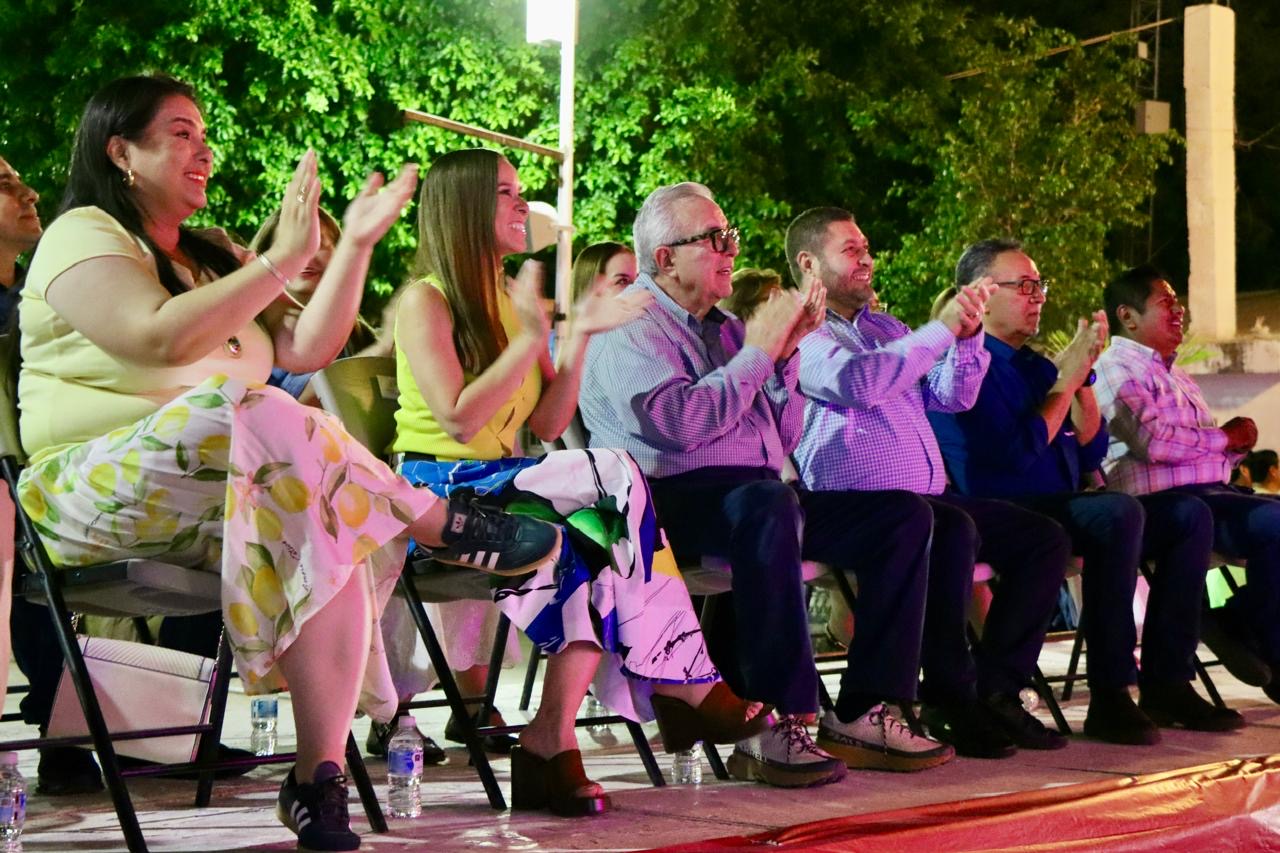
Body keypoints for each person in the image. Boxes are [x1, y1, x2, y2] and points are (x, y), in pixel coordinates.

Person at [16, 76, 563, 851]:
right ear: (121, 152)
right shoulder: (83, 234)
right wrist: (280, 261)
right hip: (82, 492)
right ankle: (432, 517)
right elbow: (158, 338)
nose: (204, 149)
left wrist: (356, 246)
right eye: (180, 132)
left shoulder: (212, 256)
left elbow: (308, 347)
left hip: (225, 492)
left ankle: (318, 777)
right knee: (262, 408)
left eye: (205, 133)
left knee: (322, 506)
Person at [390, 149, 767, 817]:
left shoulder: (512, 302)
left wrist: (581, 337)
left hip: (502, 489)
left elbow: (546, 422)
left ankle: (550, 739)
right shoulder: (425, 299)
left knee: (592, 543)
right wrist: (527, 338)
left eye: (518, 190)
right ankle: (683, 680)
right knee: (614, 471)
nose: (520, 203)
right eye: (504, 192)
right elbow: (457, 416)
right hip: (435, 495)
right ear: (464, 207)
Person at [582, 181, 953, 788]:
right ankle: (779, 719)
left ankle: (863, 710)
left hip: (756, 495)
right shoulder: (631, 323)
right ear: (665, 258)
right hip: (662, 503)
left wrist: (786, 358)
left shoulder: (727, 327)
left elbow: (780, 437)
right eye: (714, 239)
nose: (731, 249)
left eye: (730, 236)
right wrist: (758, 352)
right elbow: (679, 425)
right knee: (767, 502)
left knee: (904, 516)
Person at [786, 208, 1073, 758]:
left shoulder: (888, 329)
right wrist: (940, 329)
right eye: (851, 249)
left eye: (866, 246)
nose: (867, 258)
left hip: (924, 499)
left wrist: (966, 338)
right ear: (809, 262)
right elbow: (859, 383)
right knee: (948, 526)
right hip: (856, 505)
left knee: (1042, 538)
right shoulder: (805, 332)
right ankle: (939, 696)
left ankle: (996, 689)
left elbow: (952, 396)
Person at [931, 241, 1242, 745]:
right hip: (1002, 506)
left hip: (1062, 503)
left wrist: (1082, 378)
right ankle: (1110, 691)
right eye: (1023, 286)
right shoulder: (962, 367)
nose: (1037, 297)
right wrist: (1068, 378)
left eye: (1039, 286)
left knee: (1188, 515)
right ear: (980, 296)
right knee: (1115, 514)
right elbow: (1014, 458)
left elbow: (1090, 449)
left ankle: (1167, 680)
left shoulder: (1034, 365)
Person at [1095, 264, 1280, 702]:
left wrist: (1235, 446)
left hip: (1211, 495)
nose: (1179, 311)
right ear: (1128, 315)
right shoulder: (1115, 368)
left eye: (1177, 302)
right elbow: (1155, 442)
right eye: (1166, 302)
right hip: (1161, 504)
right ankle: (1252, 637)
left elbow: (1200, 449)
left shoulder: (1176, 374)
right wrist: (1223, 439)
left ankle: (1239, 622)